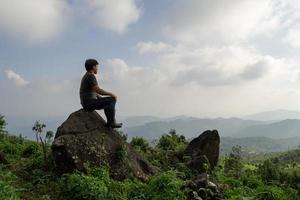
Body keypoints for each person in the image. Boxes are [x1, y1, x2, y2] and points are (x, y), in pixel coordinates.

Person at [79, 58, 123, 128]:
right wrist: (111, 94)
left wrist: (102, 99)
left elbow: (93, 92)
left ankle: (110, 122)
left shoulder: (86, 76)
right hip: (89, 103)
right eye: (97, 67)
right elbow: (98, 90)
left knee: (108, 102)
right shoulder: (90, 76)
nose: (97, 69)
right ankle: (111, 122)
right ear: (93, 67)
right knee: (112, 99)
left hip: (86, 103)